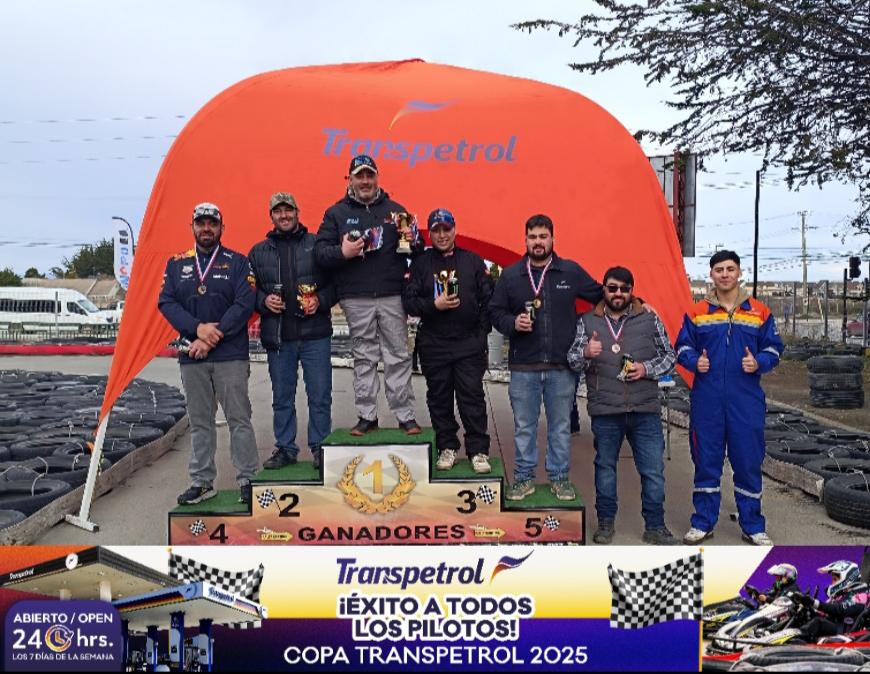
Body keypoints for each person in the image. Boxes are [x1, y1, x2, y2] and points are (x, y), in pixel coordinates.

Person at [489, 214, 603, 501]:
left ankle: (559, 479)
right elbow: (494, 312)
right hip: (523, 366)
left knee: (560, 428)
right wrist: (513, 322)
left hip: (562, 366)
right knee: (524, 429)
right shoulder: (511, 275)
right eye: (532, 237)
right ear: (525, 239)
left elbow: (602, 295)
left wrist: (637, 304)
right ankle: (523, 479)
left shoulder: (570, 271)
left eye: (543, 236)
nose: (537, 242)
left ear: (553, 238)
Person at [676, 250, 784, 545]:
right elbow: (682, 347)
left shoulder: (759, 312)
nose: (725, 274)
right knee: (706, 462)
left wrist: (758, 362)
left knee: (748, 462)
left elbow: (774, 348)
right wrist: (695, 361)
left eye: (730, 269)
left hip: (745, 400)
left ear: (739, 273)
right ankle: (703, 522)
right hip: (707, 400)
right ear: (711, 275)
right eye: (719, 270)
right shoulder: (697, 313)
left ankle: (753, 526)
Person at [567, 266, 679, 545]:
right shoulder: (587, 322)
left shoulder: (650, 318)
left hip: (645, 409)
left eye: (624, 289)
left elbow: (670, 356)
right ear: (604, 289)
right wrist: (585, 352)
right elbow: (572, 361)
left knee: (653, 471)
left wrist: (646, 369)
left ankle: (655, 526)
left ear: (632, 290)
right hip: (606, 410)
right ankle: (605, 523)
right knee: (605, 469)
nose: (618, 293)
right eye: (612, 288)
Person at [158, 202, 259, 505]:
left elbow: (245, 303)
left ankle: (248, 479)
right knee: (200, 421)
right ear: (192, 227)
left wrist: (211, 337)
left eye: (212, 223)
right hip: (193, 356)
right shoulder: (176, 264)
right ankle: (202, 482)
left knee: (239, 418)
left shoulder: (238, 262)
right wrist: (197, 329)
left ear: (221, 228)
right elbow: (166, 303)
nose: (206, 228)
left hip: (230, 355)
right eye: (201, 223)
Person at [315, 154, 422, 436]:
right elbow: (320, 253)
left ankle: (405, 415)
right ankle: (367, 415)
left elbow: (416, 250)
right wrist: (342, 252)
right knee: (364, 356)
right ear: (349, 179)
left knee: (398, 355)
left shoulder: (395, 210)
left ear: (377, 178)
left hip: (392, 295)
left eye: (369, 175)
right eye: (359, 176)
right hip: (355, 297)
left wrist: (414, 240)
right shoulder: (335, 213)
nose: (365, 181)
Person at [248, 192, 337, 471]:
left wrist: (319, 300)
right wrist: (263, 301)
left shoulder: (317, 245)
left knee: (320, 396)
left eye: (288, 210)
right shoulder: (258, 252)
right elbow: (247, 291)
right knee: (282, 398)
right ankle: (286, 448)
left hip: (315, 335)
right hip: (279, 337)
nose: (284, 215)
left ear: (297, 212)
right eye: (278, 211)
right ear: (271, 216)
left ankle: (320, 447)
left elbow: (336, 284)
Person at [403, 208, 494, 473]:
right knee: (439, 398)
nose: (442, 235)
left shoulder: (472, 261)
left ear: (454, 230)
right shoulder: (420, 263)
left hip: (468, 343)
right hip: (434, 343)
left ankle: (478, 450)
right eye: (436, 230)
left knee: (472, 397)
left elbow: (489, 298)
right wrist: (434, 305)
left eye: (446, 229)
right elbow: (409, 302)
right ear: (430, 234)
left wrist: (481, 333)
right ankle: (447, 446)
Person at [793, 560, 869, 641]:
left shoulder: (862, 594)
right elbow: (824, 613)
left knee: (818, 622)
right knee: (805, 619)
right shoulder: (839, 596)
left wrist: (813, 602)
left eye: (835, 579)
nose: (832, 582)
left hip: (848, 636)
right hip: (834, 633)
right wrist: (808, 609)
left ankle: (795, 642)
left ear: (847, 579)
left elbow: (840, 610)